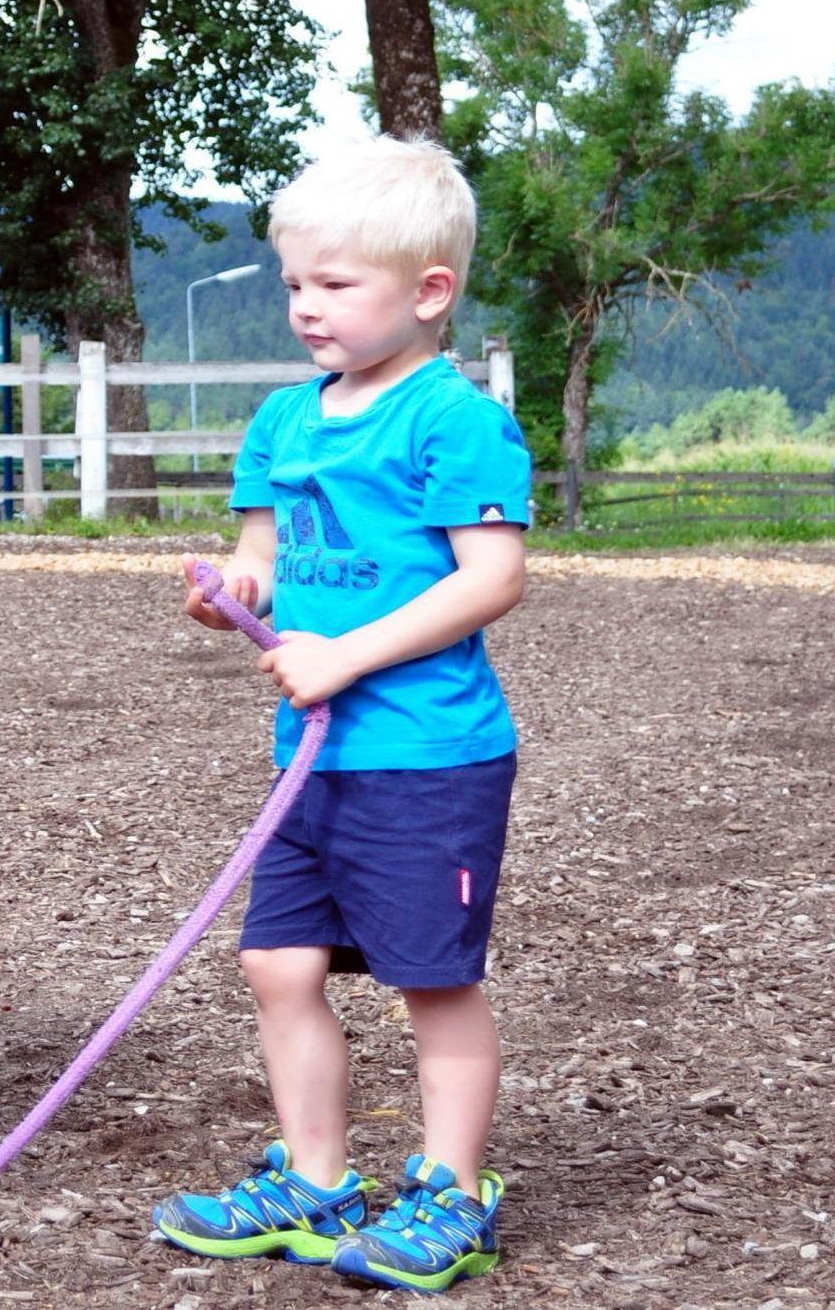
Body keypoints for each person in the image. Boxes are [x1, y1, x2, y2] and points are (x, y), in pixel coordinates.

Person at [150, 137, 531, 1294]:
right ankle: (313, 1181)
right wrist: (236, 591)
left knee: (432, 978)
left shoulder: (450, 420)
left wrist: (345, 655)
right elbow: (263, 557)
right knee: (275, 962)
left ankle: (450, 1193)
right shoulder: (283, 419)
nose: (303, 306)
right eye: (293, 283)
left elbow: (490, 579)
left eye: (333, 283)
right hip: (311, 758)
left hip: (423, 756)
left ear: (428, 290)